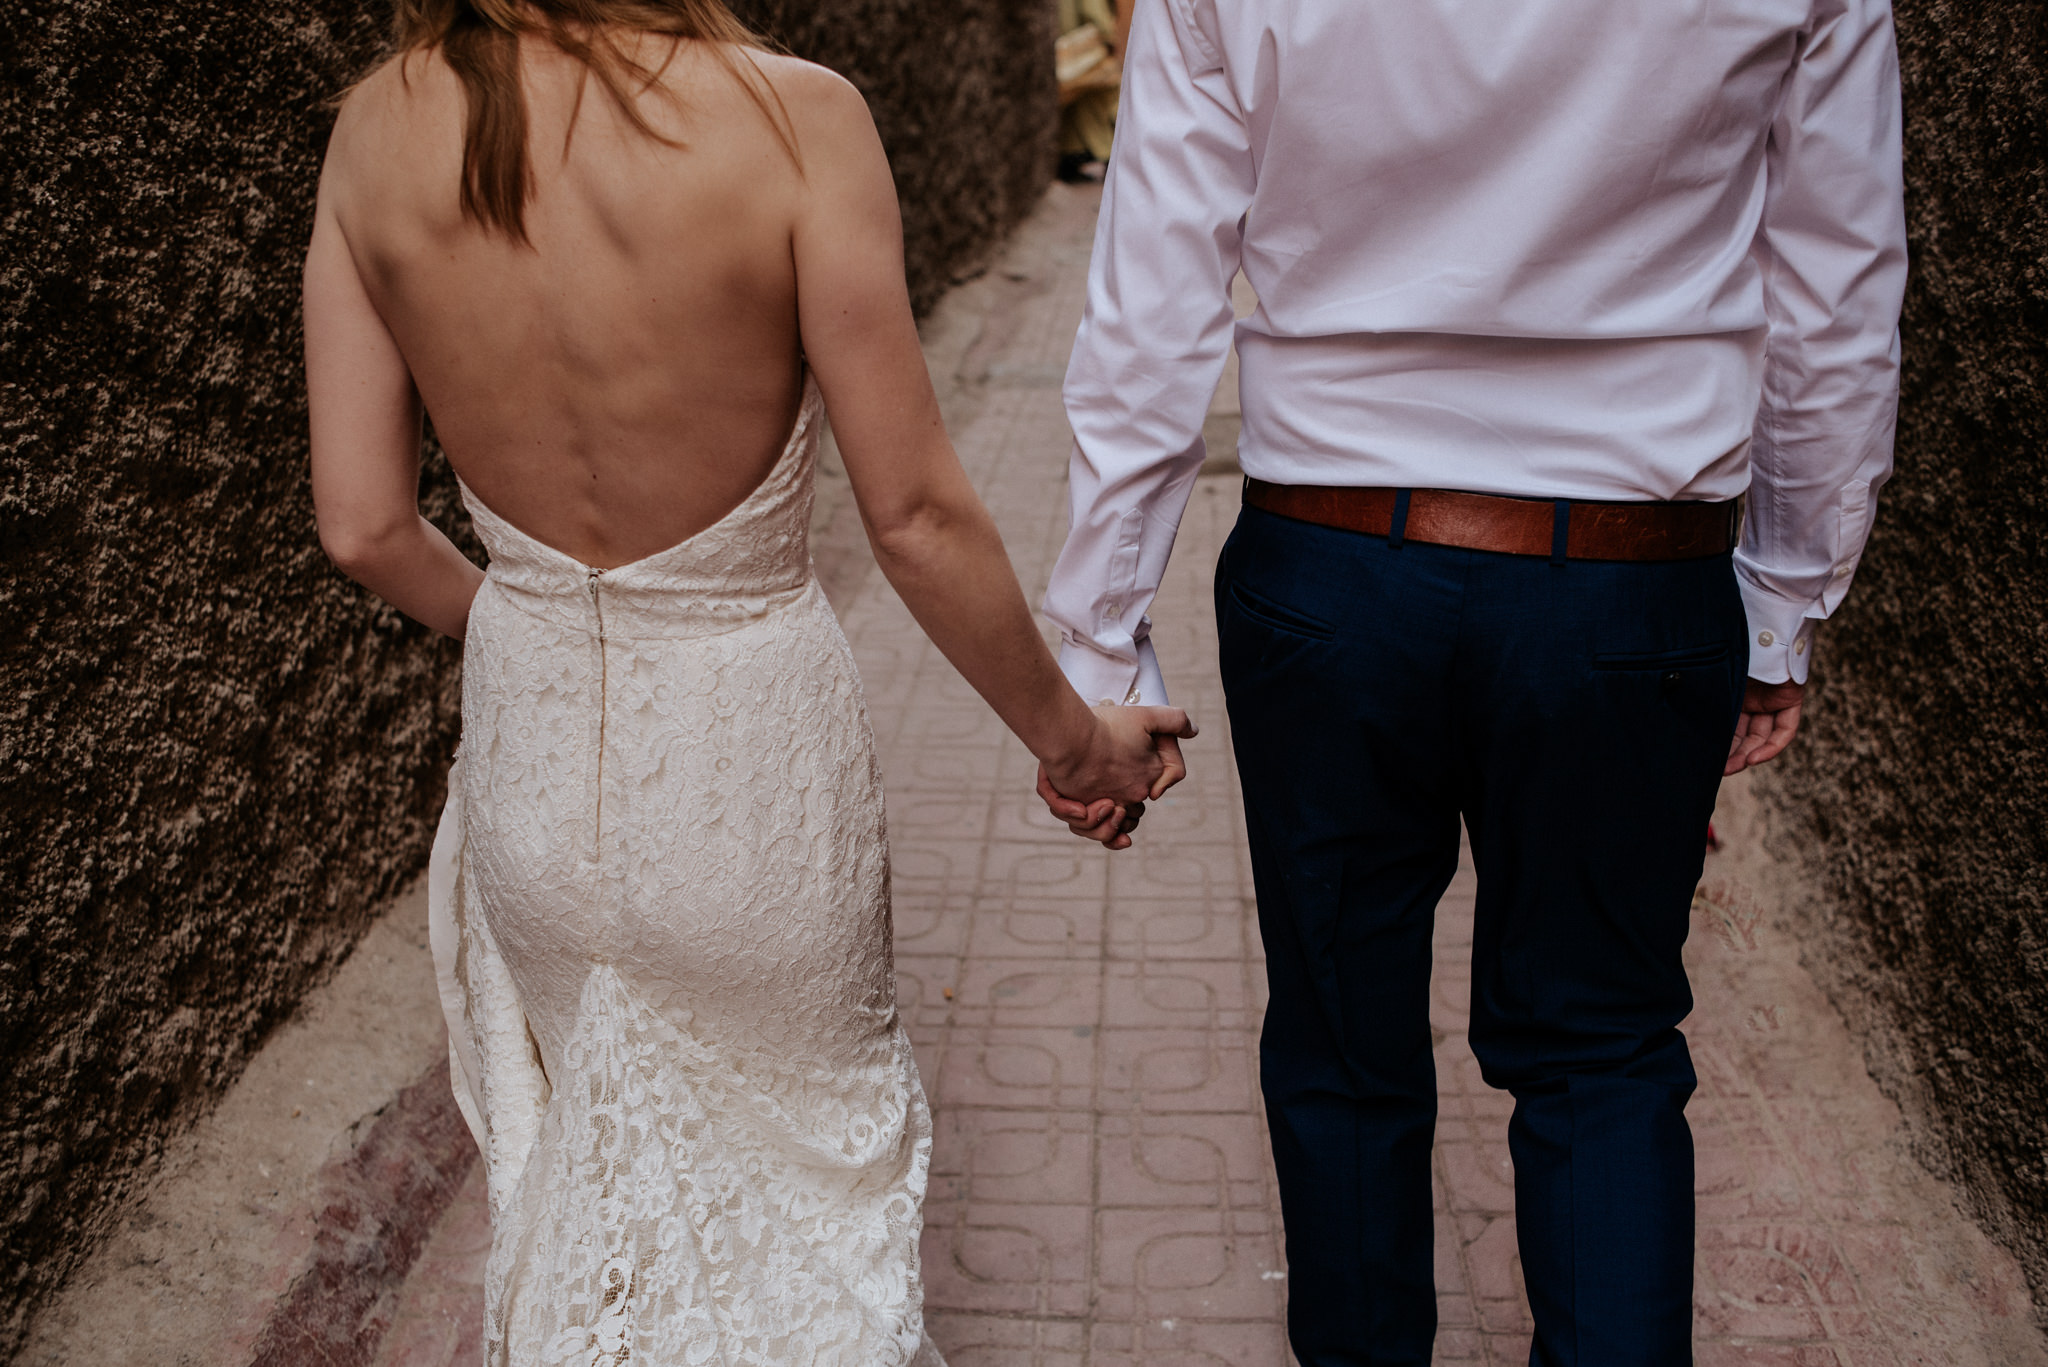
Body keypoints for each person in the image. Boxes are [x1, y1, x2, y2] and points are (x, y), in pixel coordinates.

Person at [302, 2, 1194, 1360]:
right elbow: (916, 517)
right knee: (804, 1228)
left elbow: (363, 525)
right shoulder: (792, 120)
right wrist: (1076, 742)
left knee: (599, 1199)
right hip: (755, 786)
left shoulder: (376, 130)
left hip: (536, 779)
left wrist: (543, 626)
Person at [1037, 0, 1906, 1361]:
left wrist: (1098, 639)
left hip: (1330, 572)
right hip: (1627, 578)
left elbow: (1154, 290)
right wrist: (1783, 597)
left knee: (1338, 1046)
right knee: (1603, 1054)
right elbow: (1838, 280)